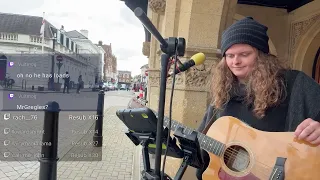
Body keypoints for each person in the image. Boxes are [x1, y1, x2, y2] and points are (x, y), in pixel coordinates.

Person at [196, 17, 320, 179]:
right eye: (229, 55)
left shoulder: (295, 83)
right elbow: (203, 146)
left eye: (244, 54)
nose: (236, 62)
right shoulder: (223, 94)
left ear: (261, 55)